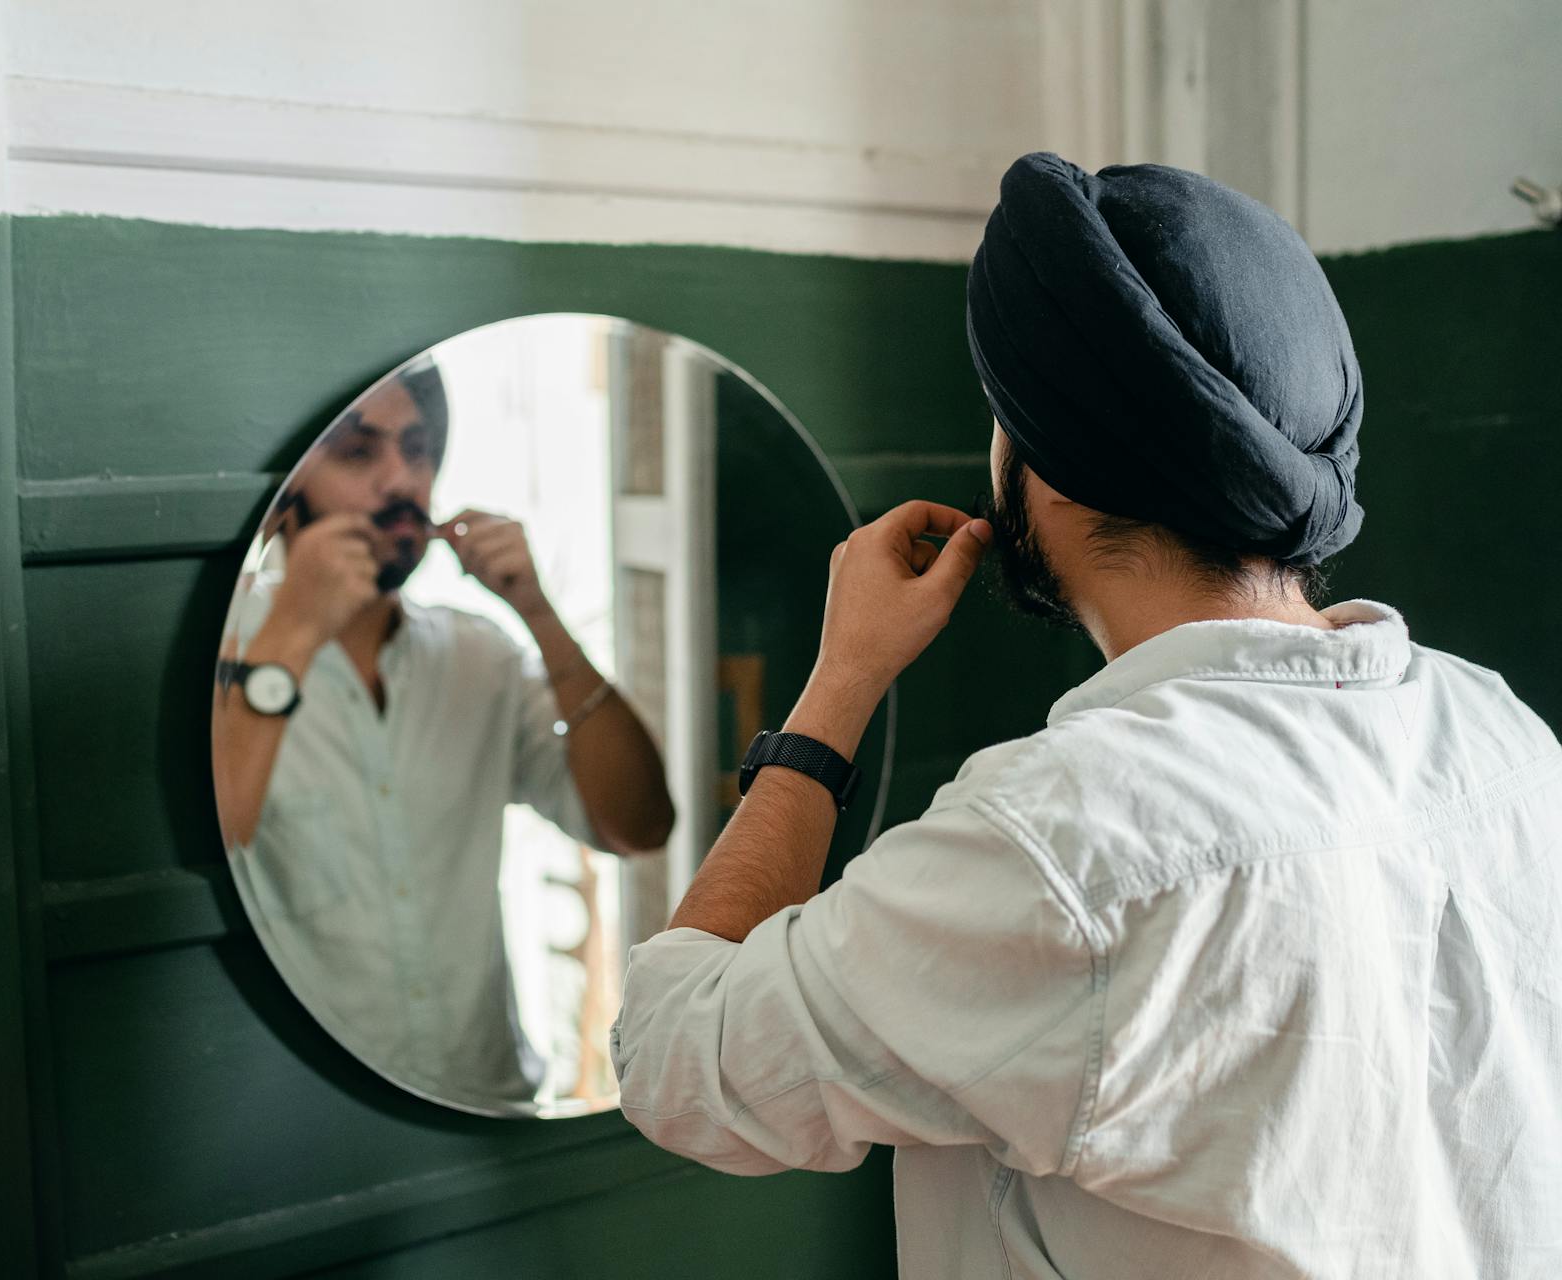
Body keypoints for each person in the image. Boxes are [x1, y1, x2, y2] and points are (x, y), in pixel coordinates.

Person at [610, 152, 1562, 1277]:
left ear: (1047, 470)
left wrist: (837, 686)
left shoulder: (1064, 835)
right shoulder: (1500, 733)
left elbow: (676, 1059)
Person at [214, 362, 673, 1105]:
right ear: (282, 494)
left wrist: (541, 616)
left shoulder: (481, 656)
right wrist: (294, 628)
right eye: (359, 453)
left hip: (489, 1107)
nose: (403, 480)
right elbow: (210, 837)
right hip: (302, 1120)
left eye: (419, 449)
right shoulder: (219, 654)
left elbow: (640, 826)